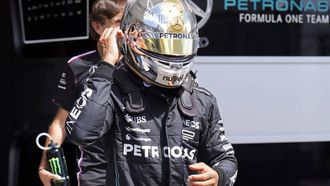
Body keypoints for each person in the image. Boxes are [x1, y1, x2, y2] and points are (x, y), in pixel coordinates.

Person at [66, 0, 238, 185]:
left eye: (178, 45)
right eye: (164, 44)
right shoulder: (112, 92)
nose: (173, 55)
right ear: (133, 39)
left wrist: (218, 175)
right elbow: (81, 133)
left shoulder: (202, 100)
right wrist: (107, 63)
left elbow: (226, 159)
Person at [38, 0, 126, 185]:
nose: (126, 27)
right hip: (94, 175)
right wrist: (44, 167)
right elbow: (60, 122)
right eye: (119, 21)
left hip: (134, 172)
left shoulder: (141, 64)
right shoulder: (77, 65)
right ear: (98, 26)